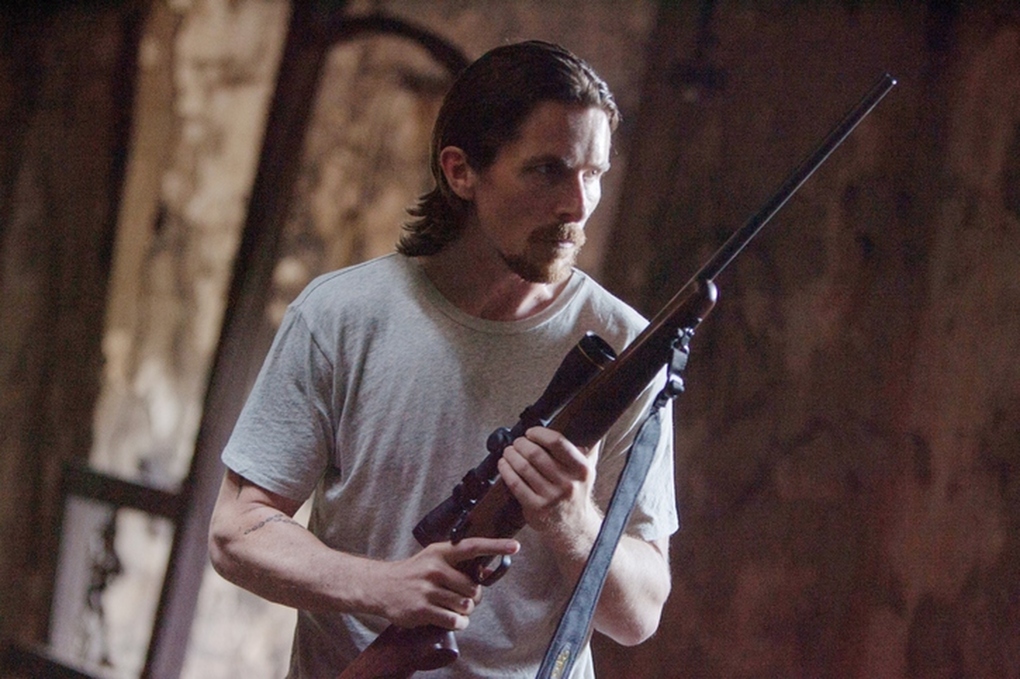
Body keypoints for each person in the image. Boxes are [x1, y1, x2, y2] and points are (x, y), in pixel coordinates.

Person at [208, 40, 678, 678]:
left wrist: (572, 519)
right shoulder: (340, 316)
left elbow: (638, 615)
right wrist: (386, 587)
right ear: (460, 172)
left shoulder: (628, 349)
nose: (577, 204)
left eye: (592, 174)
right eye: (548, 170)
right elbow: (237, 533)